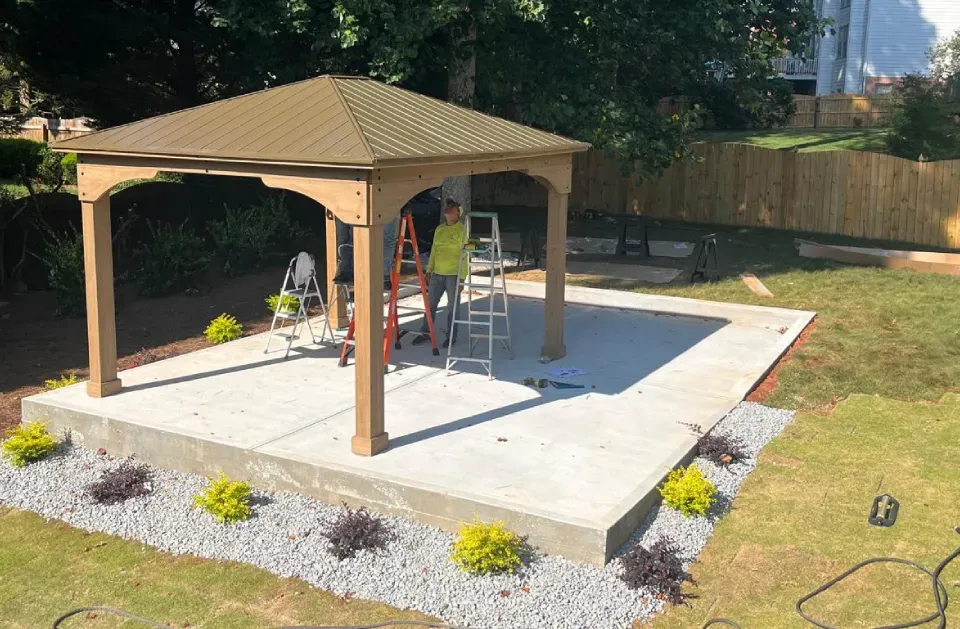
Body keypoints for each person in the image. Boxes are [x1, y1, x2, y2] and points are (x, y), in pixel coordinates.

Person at [413, 199, 467, 348]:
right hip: (437, 273)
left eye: (452, 207)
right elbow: (434, 251)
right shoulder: (439, 229)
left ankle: (451, 337)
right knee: (430, 304)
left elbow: (465, 255)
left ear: (458, 213)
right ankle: (426, 332)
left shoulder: (462, 230)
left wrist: (462, 277)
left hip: (453, 274)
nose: (448, 208)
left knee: (452, 307)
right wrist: (429, 270)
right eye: (447, 206)